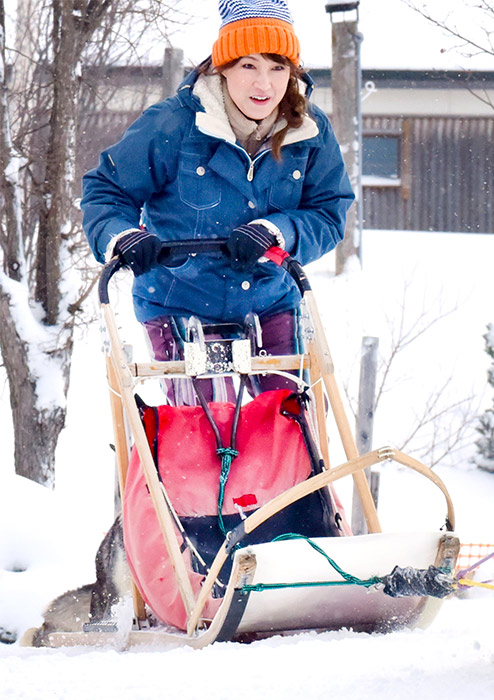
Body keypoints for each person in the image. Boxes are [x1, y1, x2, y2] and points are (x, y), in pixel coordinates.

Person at [81, 0, 353, 404]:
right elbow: (107, 189)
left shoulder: (309, 131)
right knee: (210, 433)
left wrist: (277, 231)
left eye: (278, 68)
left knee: (289, 425)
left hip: (270, 297)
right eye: (249, 65)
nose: (264, 85)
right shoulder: (173, 124)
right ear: (223, 66)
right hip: (181, 296)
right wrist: (122, 236)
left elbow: (329, 213)